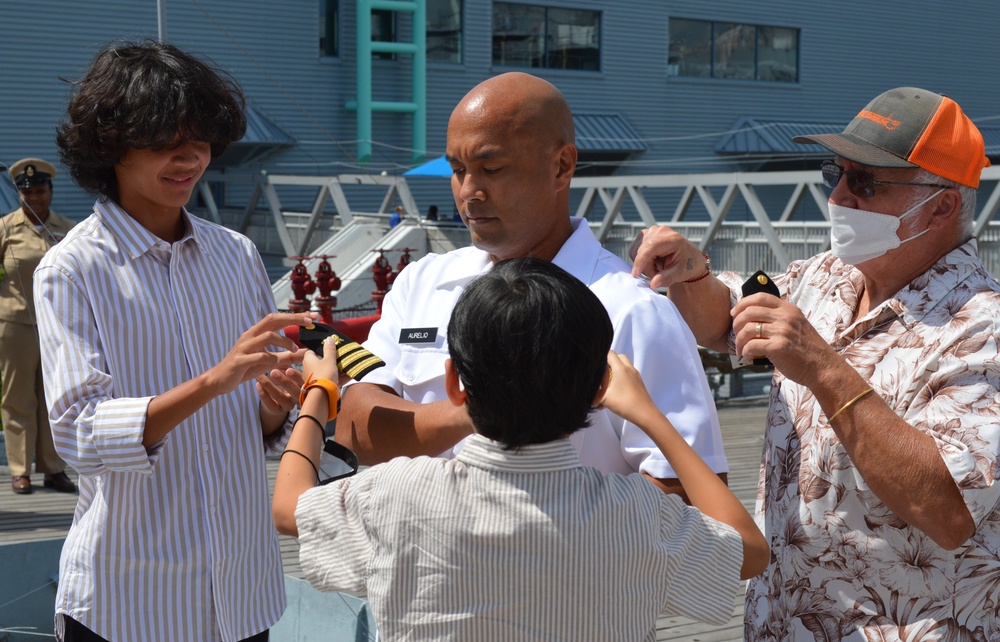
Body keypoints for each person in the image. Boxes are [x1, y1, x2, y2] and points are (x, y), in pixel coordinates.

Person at [629, 87, 1000, 641]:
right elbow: (728, 319)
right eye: (838, 173)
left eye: (867, 181)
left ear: (943, 205)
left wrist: (824, 369)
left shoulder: (983, 327)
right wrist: (691, 272)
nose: (841, 196)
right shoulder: (829, 275)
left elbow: (947, 509)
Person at [274, 258, 769, 641]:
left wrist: (319, 393)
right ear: (601, 389)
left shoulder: (396, 493)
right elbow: (748, 552)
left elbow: (288, 507)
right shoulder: (635, 514)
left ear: (453, 383)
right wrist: (650, 415)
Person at [35, 40, 317, 642]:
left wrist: (272, 404)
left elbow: (256, 416)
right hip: (129, 600)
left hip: (241, 591)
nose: (190, 156)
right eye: (166, 141)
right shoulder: (71, 269)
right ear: (111, 147)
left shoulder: (235, 255)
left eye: (202, 139)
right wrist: (216, 380)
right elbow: (79, 435)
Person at [337, 72, 728, 498]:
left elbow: (691, 493)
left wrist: (537, 541)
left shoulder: (632, 310)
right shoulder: (422, 284)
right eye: (457, 169)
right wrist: (488, 411)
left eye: (491, 168)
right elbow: (356, 427)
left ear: (561, 166)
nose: (468, 191)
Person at [1, 158, 77, 494]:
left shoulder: (68, 229)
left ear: (50, 191)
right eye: (27, 192)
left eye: (40, 191)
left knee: (55, 399)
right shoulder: (5, 228)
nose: (34, 198)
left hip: (57, 327)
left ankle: (53, 468)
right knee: (18, 399)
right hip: (15, 323)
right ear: (19, 194)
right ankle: (20, 470)